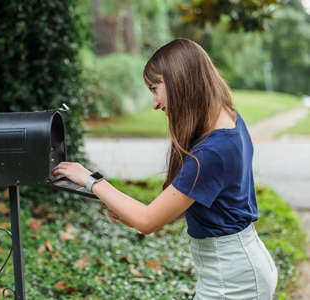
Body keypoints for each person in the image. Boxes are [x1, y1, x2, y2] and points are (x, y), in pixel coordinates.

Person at [52, 38, 278, 299]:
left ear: (180, 80)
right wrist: (127, 211)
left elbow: (148, 221)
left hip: (235, 281)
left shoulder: (212, 152)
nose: (155, 103)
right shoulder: (225, 119)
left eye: (155, 88)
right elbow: (166, 209)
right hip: (232, 269)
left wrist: (90, 180)